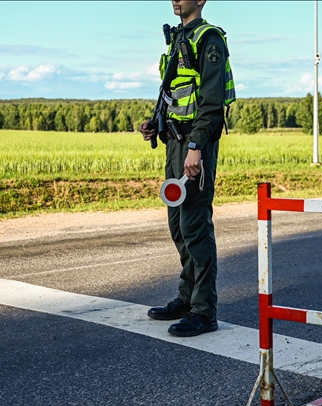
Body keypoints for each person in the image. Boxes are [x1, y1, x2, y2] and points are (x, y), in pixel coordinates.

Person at [139, 0, 235, 337]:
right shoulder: (180, 36)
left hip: (197, 145)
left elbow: (211, 102)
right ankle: (186, 297)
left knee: (194, 224)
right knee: (178, 224)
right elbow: (176, 93)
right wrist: (156, 123)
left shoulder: (209, 39)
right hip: (175, 143)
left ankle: (204, 311)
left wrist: (195, 147)